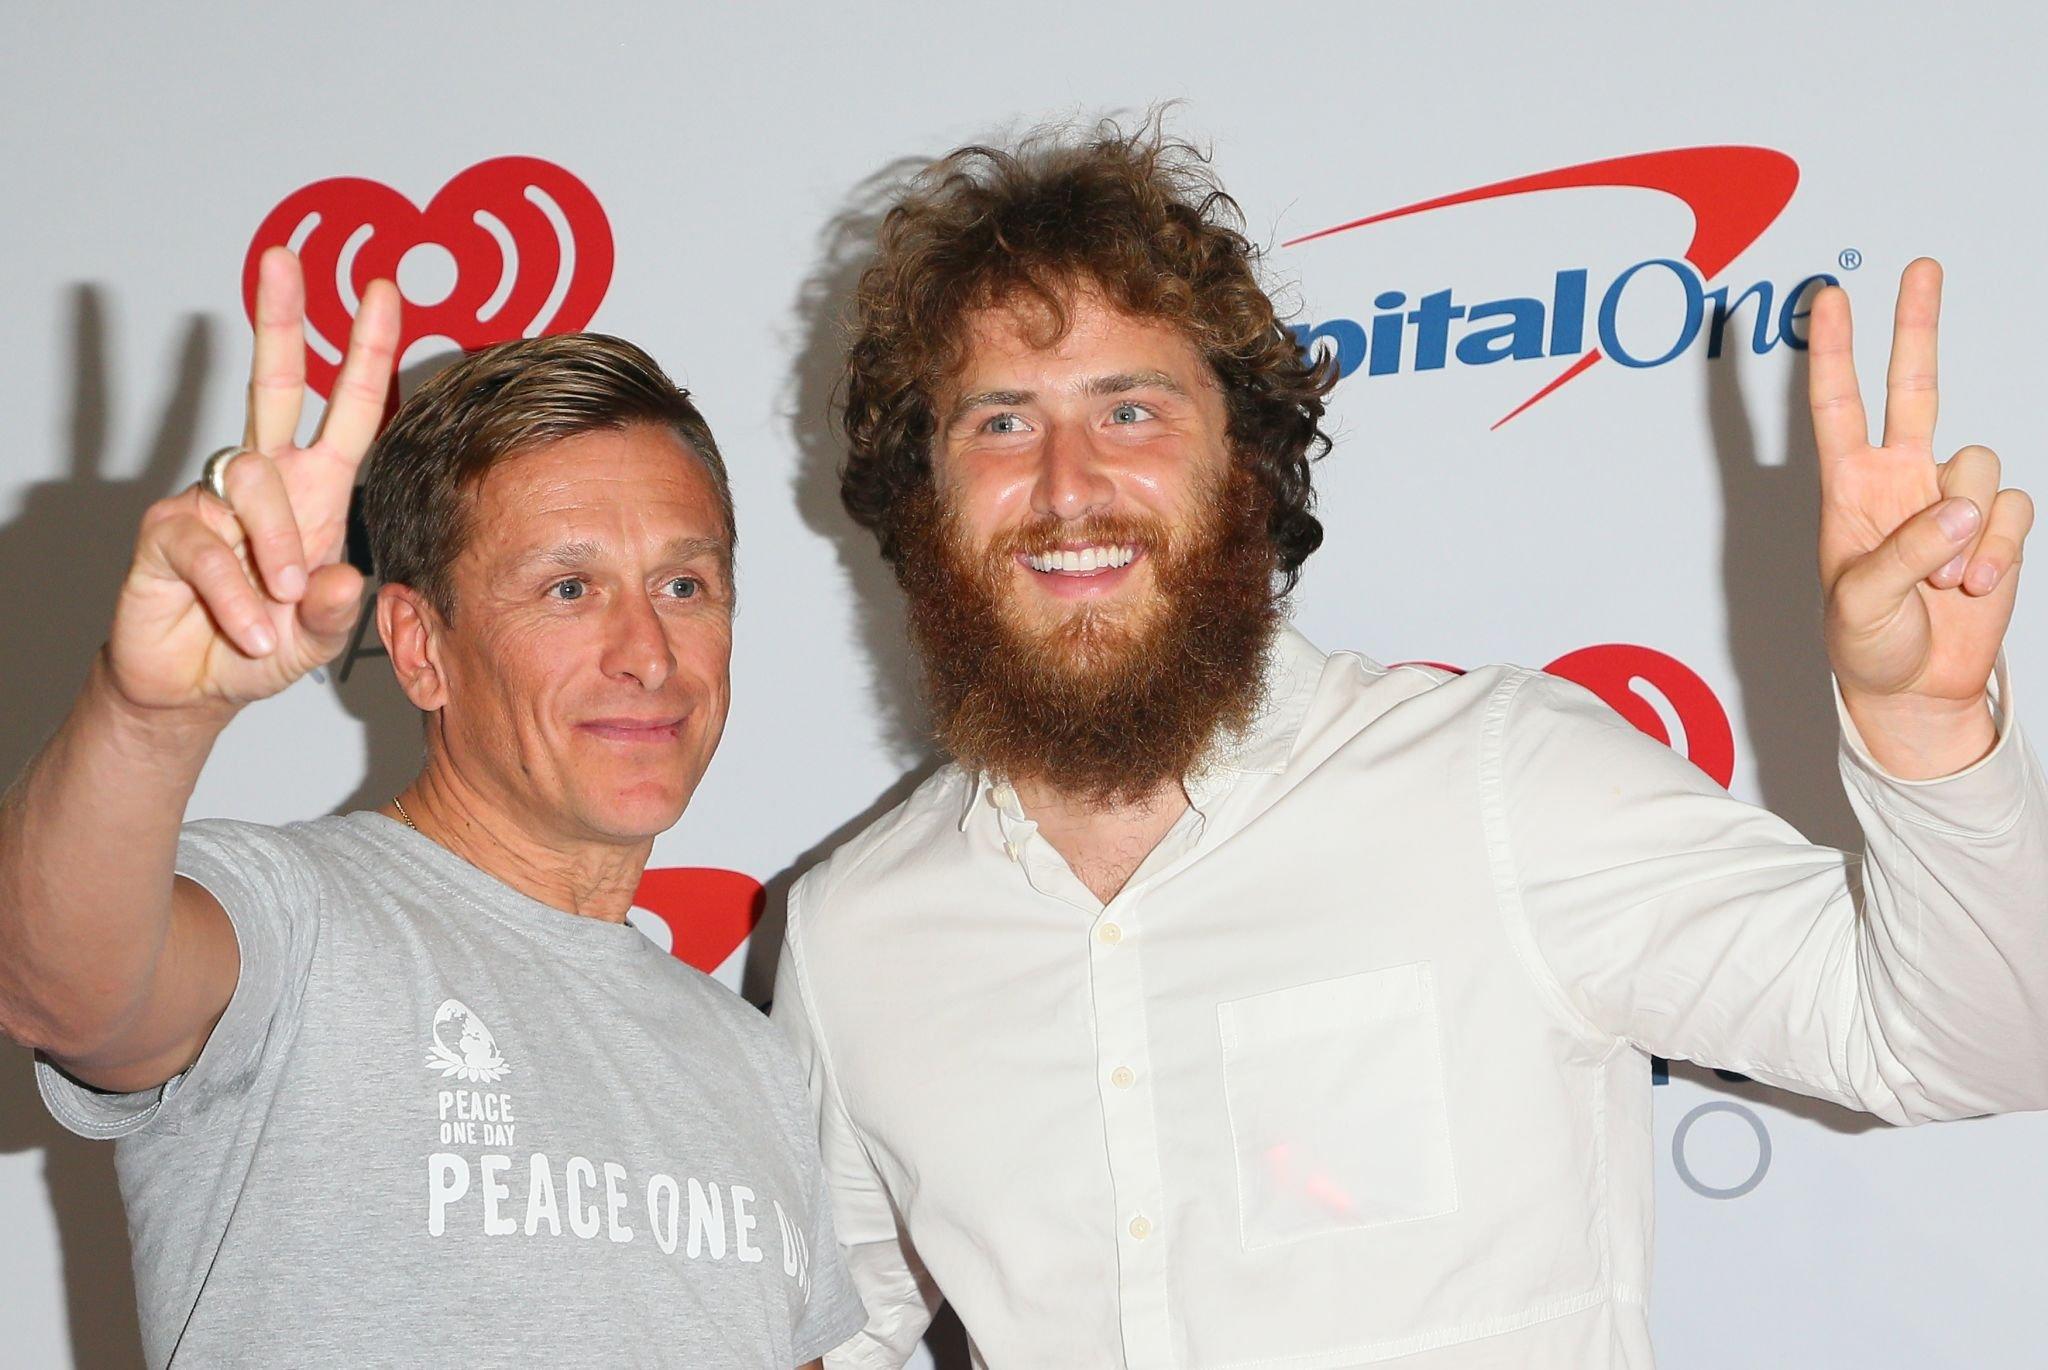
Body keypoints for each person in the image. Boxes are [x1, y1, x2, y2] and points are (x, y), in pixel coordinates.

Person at [771, 122, 2046, 1367]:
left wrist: (1926, 728)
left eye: (1130, 409)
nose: (1063, 484)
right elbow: (828, 1336)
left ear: (1249, 467)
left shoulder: (1500, 782)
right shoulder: (852, 934)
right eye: (997, 421)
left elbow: (1975, 1042)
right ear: (922, 499)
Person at [0, 249, 864, 1368]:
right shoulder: (293, 921)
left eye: (683, 585)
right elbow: (54, 981)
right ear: (419, 648)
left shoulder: (749, 1063)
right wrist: (145, 713)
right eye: (568, 587)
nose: (647, 652)